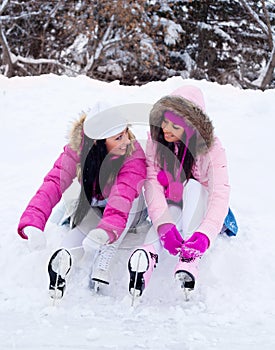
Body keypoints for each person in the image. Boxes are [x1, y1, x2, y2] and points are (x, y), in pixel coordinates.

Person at [17, 104, 148, 299]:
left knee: (131, 202)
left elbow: (122, 198)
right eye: (118, 138)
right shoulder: (77, 150)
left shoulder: (133, 155)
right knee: (83, 218)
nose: (127, 141)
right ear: (97, 142)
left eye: (126, 133)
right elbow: (53, 183)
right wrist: (33, 222)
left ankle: (106, 254)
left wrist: (106, 231)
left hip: (129, 211)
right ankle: (64, 259)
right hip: (97, 204)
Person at [128, 85, 238, 298]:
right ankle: (147, 256)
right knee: (169, 210)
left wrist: (204, 235)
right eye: (165, 121)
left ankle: (190, 258)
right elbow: (153, 183)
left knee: (193, 187)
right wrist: (163, 225)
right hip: (171, 199)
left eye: (174, 126)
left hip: (199, 203)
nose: (166, 129)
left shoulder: (212, 149)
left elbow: (220, 194)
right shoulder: (157, 140)